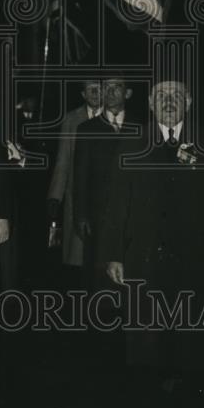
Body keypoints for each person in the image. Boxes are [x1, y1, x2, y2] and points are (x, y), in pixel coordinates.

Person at [98, 78, 204, 408]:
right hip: (143, 260)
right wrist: (113, 253)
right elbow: (116, 203)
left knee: (193, 345)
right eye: (161, 95)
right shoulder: (132, 141)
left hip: (195, 260)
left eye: (176, 95)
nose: (169, 101)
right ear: (149, 101)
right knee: (147, 344)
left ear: (189, 102)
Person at [73, 76, 137, 287]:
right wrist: (80, 215)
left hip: (133, 216)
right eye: (106, 87)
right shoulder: (87, 129)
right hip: (98, 214)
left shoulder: (143, 128)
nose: (110, 92)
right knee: (99, 279)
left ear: (127, 93)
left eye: (117, 87)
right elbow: (80, 175)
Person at [46, 79, 104, 278]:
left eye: (98, 89)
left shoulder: (112, 116)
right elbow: (63, 160)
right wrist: (55, 196)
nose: (95, 93)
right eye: (90, 90)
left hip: (105, 193)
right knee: (78, 256)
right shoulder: (72, 119)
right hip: (77, 192)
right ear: (83, 95)